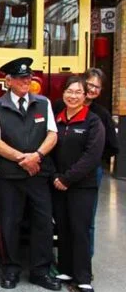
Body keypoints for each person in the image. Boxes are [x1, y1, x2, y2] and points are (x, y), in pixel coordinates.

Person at [0, 57, 60, 291]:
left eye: (28, 77)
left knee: (43, 223)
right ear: (8, 81)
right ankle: (10, 269)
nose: (26, 81)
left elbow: (52, 134)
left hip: (37, 174)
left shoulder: (43, 103)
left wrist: (36, 156)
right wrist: (22, 158)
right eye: (20, 78)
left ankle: (40, 271)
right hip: (9, 176)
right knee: (9, 223)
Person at [54, 67, 119, 257]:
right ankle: (65, 262)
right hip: (62, 170)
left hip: (89, 171)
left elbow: (113, 147)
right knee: (62, 216)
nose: (92, 90)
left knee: (86, 219)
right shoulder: (59, 106)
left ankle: (84, 262)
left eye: (97, 87)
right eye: (89, 84)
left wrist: (93, 160)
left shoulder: (101, 115)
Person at [50, 76, 104, 292]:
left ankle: (83, 276)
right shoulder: (57, 120)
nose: (73, 96)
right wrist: (55, 176)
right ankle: (65, 269)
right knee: (63, 227)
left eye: (77, 92)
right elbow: (48, 149)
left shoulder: (93, 122)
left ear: (85, 95)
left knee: (80, 229)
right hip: (58, 183)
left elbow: (91, 157)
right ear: (63, 94)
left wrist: (67, 178)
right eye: (69, 92)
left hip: (82, 186)